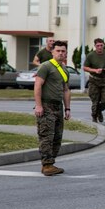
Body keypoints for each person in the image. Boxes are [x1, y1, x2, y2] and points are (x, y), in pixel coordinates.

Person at [34, 40, 71, 176]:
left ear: (66, 53)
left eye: (63, 51)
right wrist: (38, 105)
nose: (61, 53)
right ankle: (47, 165)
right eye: (58, 51)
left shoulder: (64, 69)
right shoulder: (45, 66)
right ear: (52, 52)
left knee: (57, 137)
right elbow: (38, 85)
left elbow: (66, 90)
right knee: (46, 136)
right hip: (46, 105)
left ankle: (51, 163)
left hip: (58, 106)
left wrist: (67, 109)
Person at [83, 38, 105, 123]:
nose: (100, 47)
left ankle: (99, 111)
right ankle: (94, 117)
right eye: (98, 46)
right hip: (94, 81)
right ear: (95, 46)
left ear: (103, 45)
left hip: (104, 81)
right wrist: (95, 70)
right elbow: (85, 67)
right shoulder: (90, 55)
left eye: (101, 45)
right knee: (95, 101)